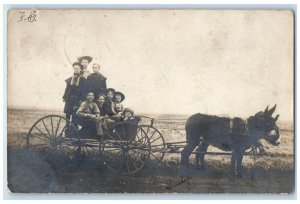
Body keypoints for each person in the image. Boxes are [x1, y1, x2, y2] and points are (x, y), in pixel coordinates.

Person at [63, 62, 87, 126]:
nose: (75, 70)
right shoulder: (70, 79)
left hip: (77, 101)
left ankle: (74, 131)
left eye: (77, 69)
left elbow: (84, 91)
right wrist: (64, 96)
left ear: (81, 69)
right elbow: (67, 89)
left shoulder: (83, 80)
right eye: (74, 69)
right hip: (69, 100)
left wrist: (81, 100)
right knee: (68, 115)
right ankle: (67, 129)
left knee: (75, 116)